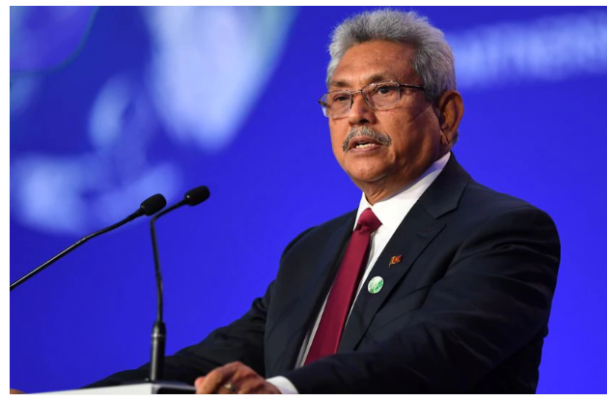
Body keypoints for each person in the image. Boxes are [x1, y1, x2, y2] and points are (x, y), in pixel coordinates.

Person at [24, 9, 561, 394]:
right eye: (341, 97)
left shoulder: (504, 231)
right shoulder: (313, 249)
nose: (358, 115)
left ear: (446, 115)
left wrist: (281, 391)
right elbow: (213, 360)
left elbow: (425, 359)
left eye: (384, 91)